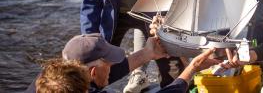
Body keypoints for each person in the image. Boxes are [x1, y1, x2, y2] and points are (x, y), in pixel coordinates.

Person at [26, 33, 220, 93]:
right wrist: (192, 68)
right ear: (91, 73)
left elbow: (100, 78)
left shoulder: (48, 81)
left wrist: (146, 54)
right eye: (108, 65)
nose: (112, 68)